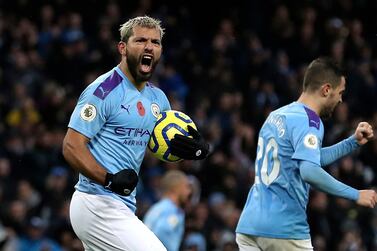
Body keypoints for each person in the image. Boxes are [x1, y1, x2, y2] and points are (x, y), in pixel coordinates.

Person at [62, 16, 209, 251]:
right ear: (123, 48)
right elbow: (71, 146)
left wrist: (193, 149)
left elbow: (161, 147)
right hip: (96, 202)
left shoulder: (158, 99)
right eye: (140, 40)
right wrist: (108, 179)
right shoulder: (103, 91)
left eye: (155, 42)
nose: (149, 46)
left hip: (123, 204)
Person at [236, 57, 376, 251]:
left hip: (250, 226)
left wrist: (352, 143)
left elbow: (310, 158)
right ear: (327, 90)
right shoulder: (310, 122)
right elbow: (309, 171)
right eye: (340, 93)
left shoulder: (277, 115)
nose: (341, 100)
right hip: (284, 230)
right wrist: (355, 194)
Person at [143, 170, 191, 251]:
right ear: (176, 188)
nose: (189, 192)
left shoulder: (157, 207)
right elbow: (161, 231)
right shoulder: (173, 211)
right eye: (186, 187)